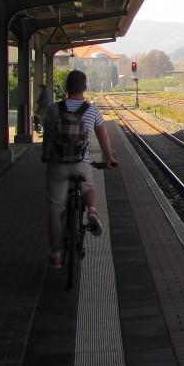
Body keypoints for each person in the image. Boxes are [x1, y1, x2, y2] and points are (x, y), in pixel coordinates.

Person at [41, 70, 118, 268]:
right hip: (80, 163)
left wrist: (46, 156)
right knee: (89, 188)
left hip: (57, 165)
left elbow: (47, 137)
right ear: (84, 87)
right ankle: (91, 210)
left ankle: (56, 255)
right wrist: (109, 158)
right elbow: (103, 138)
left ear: (66, 87)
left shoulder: (53, 109)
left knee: (55, 211)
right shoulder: (92, 111)